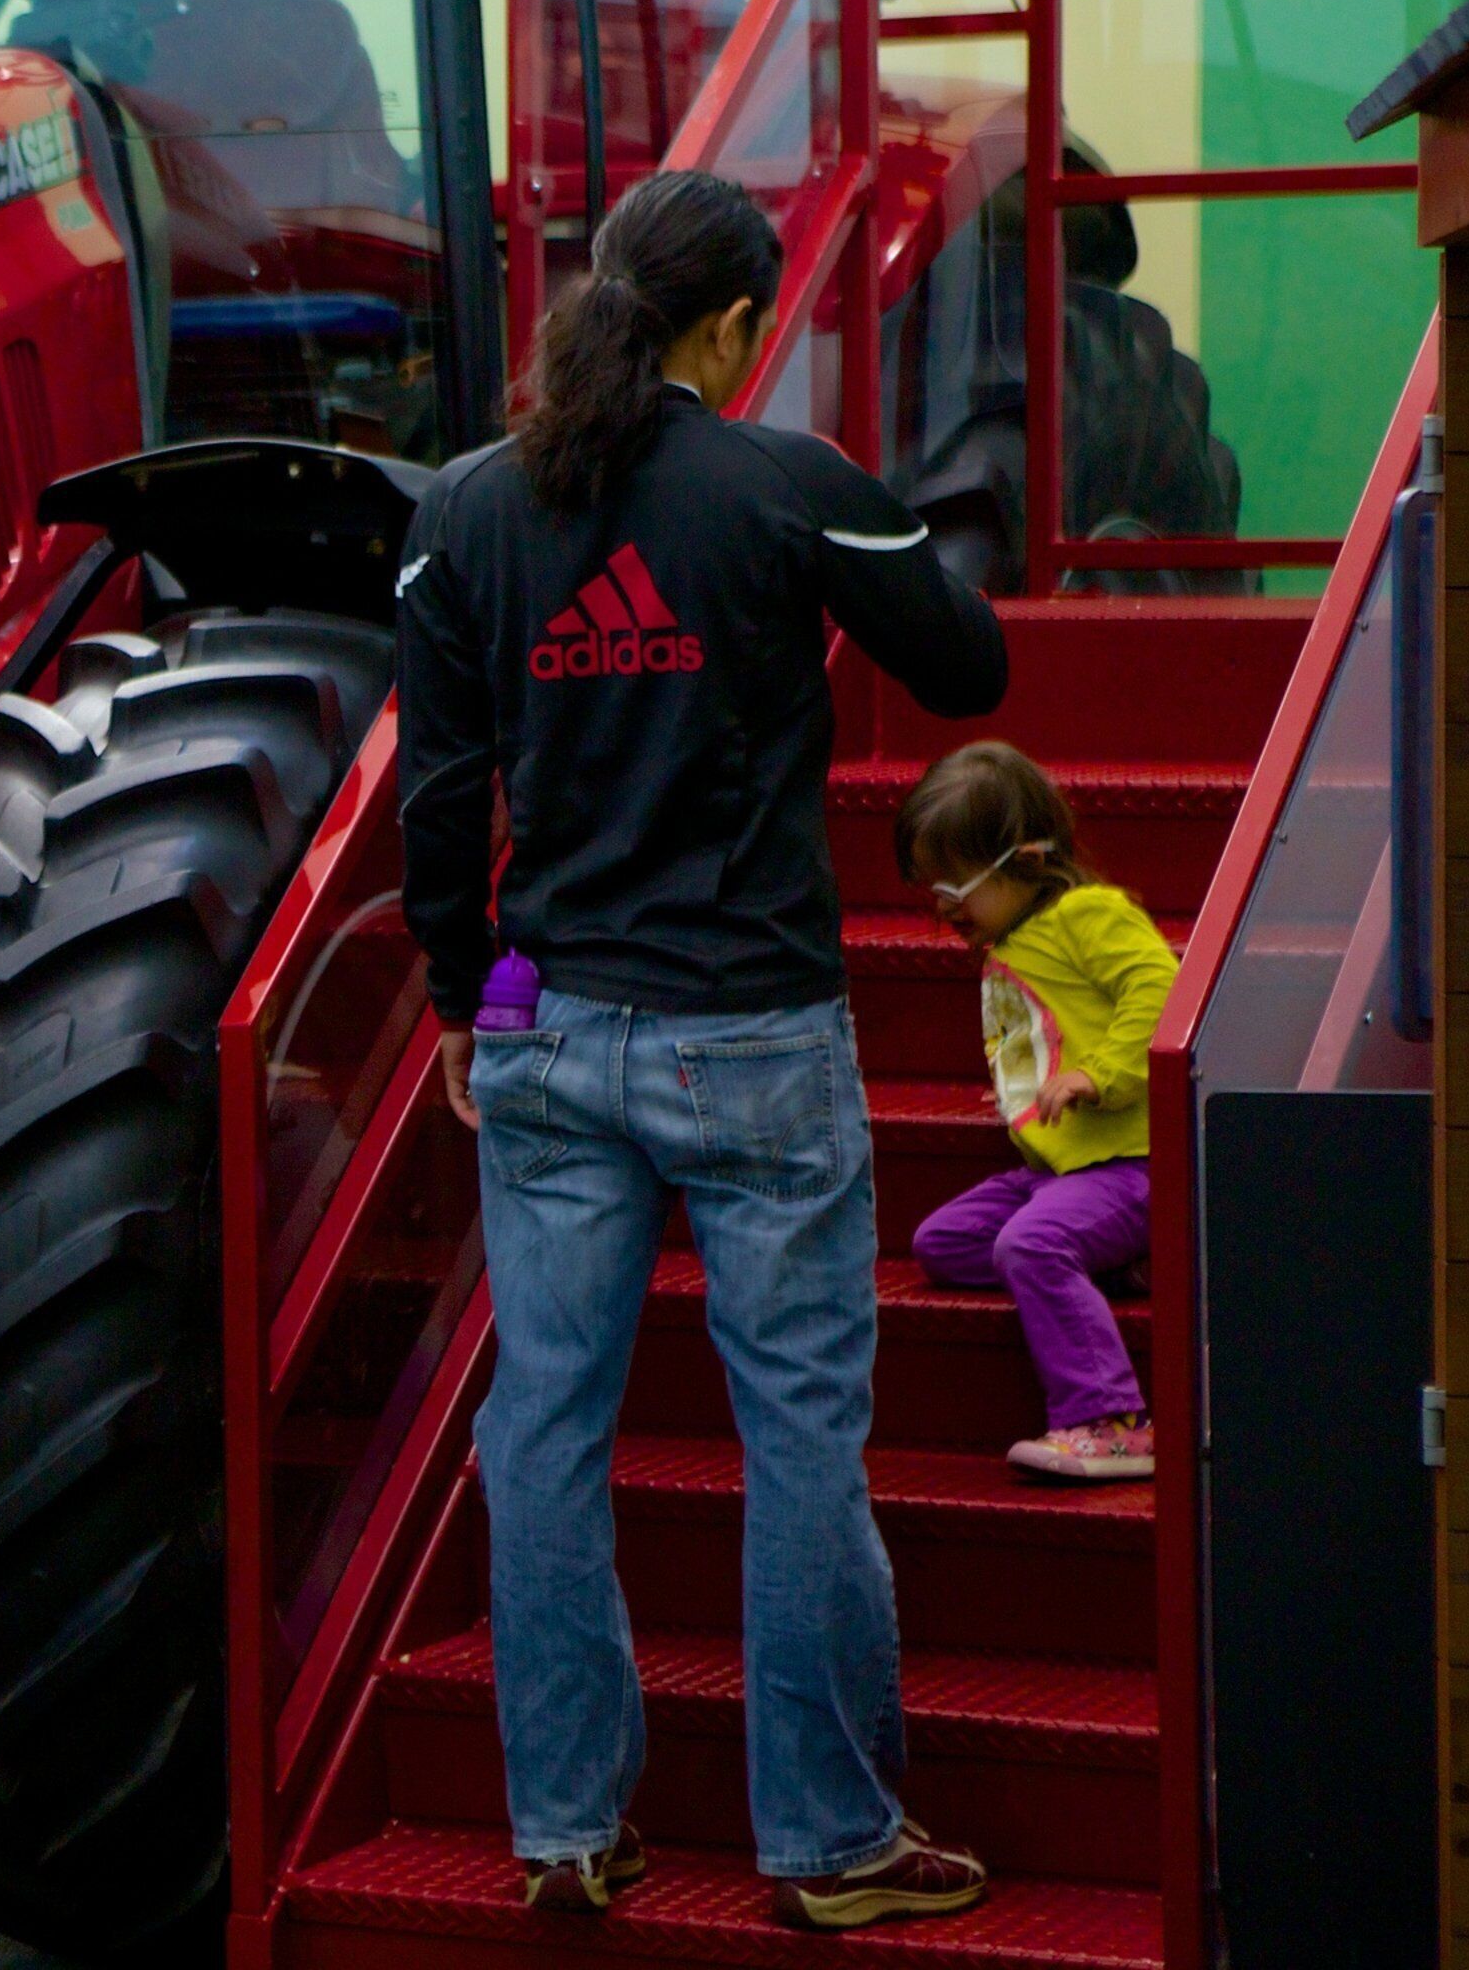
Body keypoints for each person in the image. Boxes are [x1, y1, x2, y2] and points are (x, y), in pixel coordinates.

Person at [395, 170, 1011, 1932]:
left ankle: (566, 1828)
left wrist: (460, 997)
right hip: (752, 1036)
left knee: (543, 1435)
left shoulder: (465, 510)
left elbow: (443, 800)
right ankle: (827, 1845)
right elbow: (964, 671)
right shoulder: (779, 487)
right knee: (801, 1434)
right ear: (734, 326)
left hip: (548, 1036)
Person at [896, 742, 1175, 1482]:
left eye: (955, 884)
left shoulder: (1087, 913)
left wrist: (1099, 1072)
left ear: (1022, 860)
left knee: (1028, 1246)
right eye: (932, 888)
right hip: (1060, 1169)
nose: (942, 905)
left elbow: (1161, 988)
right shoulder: (1012, 940)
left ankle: (1109, 1420)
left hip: (1133, 1162)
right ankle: (1121, 1264)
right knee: (942, 1243)